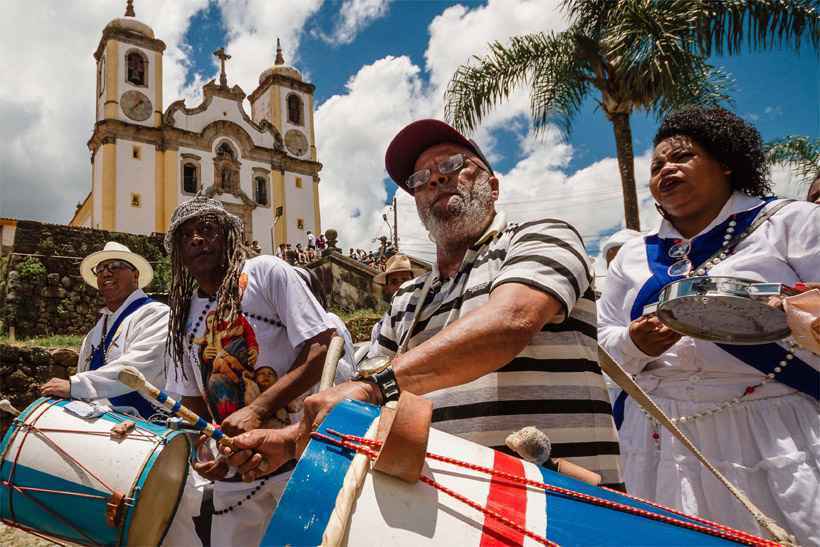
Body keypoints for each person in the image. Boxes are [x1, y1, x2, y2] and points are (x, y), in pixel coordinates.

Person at [225, 119, 623, 489]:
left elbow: (511, 322)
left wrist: (374, 387)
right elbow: (357, 403)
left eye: (453, 163)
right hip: (457, 512)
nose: (436, 177)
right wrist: (290, 441)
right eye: (420, 178)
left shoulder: (542, 236)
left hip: (564, 506)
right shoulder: (406, 300)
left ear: (493, 186)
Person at [597, 107, 819, 545]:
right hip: (660, 435)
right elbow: (601, 341)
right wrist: (636, 344)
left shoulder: (791, 222)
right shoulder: (634, 256)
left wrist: (795, 312)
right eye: (657, 165)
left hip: (772, 426)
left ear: (725, 162)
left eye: (682, 156)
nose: (666, 169)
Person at [162, 195, 337, 547]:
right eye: (186, 236)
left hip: (299, 454)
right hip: (235, 472)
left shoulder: (265, 272)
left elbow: (323, 345)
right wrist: (203, 447)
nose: (196, 239)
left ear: (229, 235)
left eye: (207, 229)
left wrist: (257, 409)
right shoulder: (180, 315)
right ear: (179, 254)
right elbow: (192, 399)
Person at [41, 241, 168, 419]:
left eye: (115, 266)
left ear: (135, 274)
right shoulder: (94, 333)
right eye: (99, 270)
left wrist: (75, 386)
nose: (106, 273)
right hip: (101, 425)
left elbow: (133, 371)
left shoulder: (157, 315)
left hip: (148, 427)